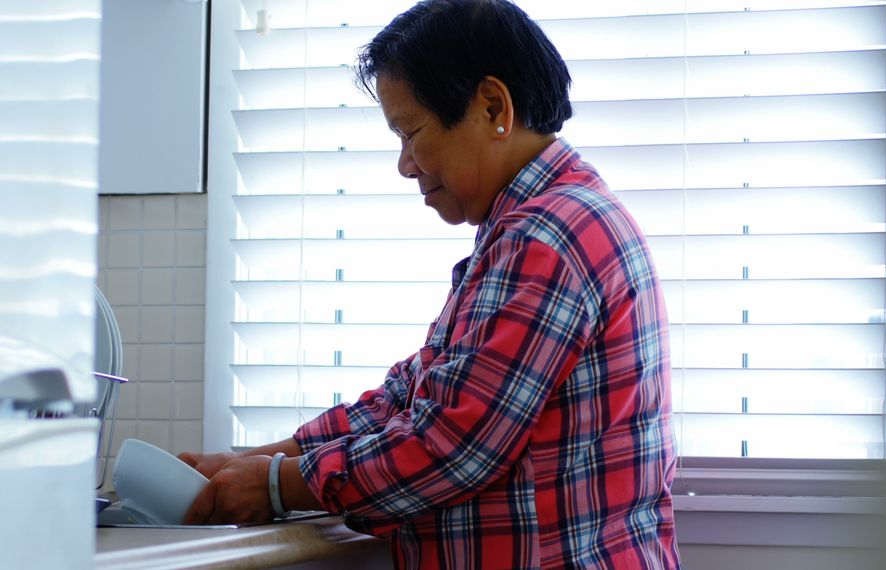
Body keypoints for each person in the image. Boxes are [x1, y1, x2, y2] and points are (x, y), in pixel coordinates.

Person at [180, 0, 680, 567]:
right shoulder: (535, 227)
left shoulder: (547, 238)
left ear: (493, 106)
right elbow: (414, 395)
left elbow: (454, 444)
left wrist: (276, 484)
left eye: (410, 131)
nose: (405, 164)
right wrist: (256, 462)